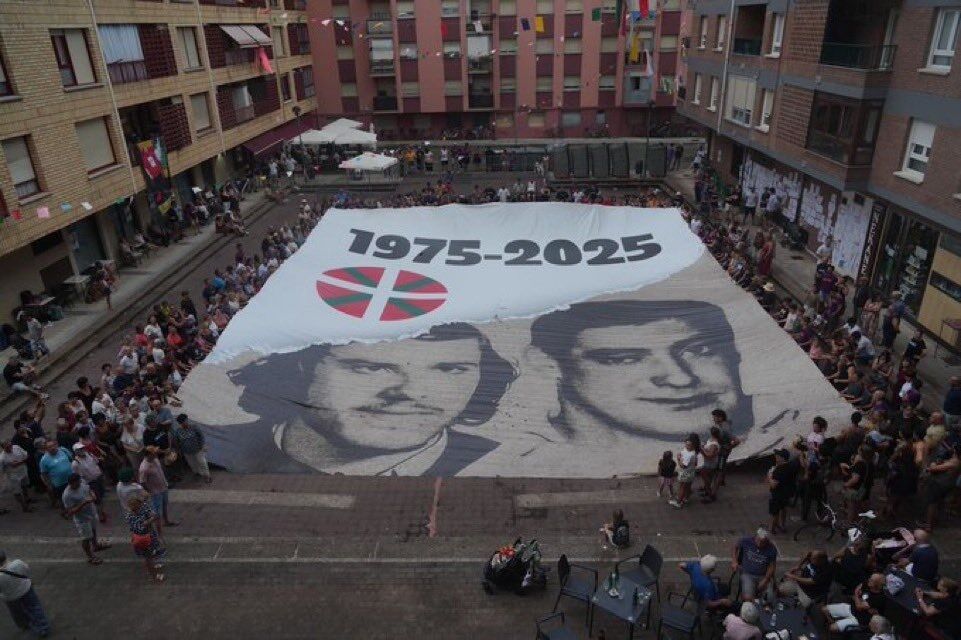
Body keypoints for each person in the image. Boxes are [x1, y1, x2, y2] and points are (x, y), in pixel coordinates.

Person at [225, 322, 516, 475]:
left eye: (449, 369)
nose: (412, 392)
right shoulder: (226, 445)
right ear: (302, 366)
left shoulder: (501, 460)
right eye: (371, 367)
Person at [61, 473, 110, 565]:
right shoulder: (67, 495)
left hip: (91, 512)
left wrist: (92, 495)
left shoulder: (82, 483)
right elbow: (70, 511)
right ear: (71, 483)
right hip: (82, 519)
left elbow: (89, 489)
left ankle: (96, 545)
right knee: (86, 538)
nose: (79, 484)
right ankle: (90, 556)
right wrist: (84, 503)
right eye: (77, 483)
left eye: (79, 481)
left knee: (94, 530)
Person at [0, 550, 50, 637]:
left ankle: (25, 625)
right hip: (26, 589)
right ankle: (43, 627)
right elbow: (26, 570)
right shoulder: (17, 563)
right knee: (34, 607)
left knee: (17, 612)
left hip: (11, 597)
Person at [822, 573, 887, 632]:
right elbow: (857, 589)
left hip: (859, 619)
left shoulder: (879, 598)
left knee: (832, 628)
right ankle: (833, 622)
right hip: (851, 608)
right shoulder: (867, 584)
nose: (869, 580)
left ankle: (839, 630)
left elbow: (858, 606)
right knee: (824, 609)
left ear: (878, 584)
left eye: (872, 580)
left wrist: (856, 596)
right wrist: (858, 599)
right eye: (870, 578)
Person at [125, 495, 166, 582]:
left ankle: (153, 570)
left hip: (146, 536)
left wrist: (149, 520)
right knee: (148, 558)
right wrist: (148, 521)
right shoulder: (132, 516)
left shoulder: (136, 511)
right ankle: (153, 576)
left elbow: (154, 515)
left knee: (151, 555)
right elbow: (141, 527)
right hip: (143, 538)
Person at [731, 528, 777, 603]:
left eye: (762, 542)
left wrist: (766, 579)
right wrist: (734, 561)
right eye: (758, 540)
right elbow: (735, 546)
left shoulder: (771, 548)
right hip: (747, 574)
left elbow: (772, 566)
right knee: (747, 597)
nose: (759, 544)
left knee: (769, 597)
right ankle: (752, 606)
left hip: (762, 575)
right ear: (755, 537)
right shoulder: (746, 541)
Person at [139, 446, 177, 529]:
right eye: (154, 453)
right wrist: (149, 491)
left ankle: (166, 521)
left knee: (164, 505)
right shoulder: (144, 468)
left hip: (163, 487)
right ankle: (154, 526)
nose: (156, 454)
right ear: (148, 455)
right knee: (156, 511)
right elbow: (142, 482)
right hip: (155, 492)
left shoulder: (155, 460)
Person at [173, 414, 211, 483]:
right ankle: (197, 473)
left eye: (185, 421)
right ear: (180, 423)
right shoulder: (178, 431)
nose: (184, 423)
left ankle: (207, 476)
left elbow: (201, 436)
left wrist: (202, 445)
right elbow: (176, 441)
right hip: (187, 452)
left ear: (187, 420)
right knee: (192, 464)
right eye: (182, 422)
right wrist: (178, 451)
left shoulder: (194, 427)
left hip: (198, 450)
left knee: (202, 462)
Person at [38, 440, 72, 514]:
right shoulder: (44, 460)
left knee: (73, 494)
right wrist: (48, 484)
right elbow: (43, 474)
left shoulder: (63, 450)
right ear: (46, 449)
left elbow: (71, 459)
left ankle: (75, 509)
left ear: (56, 445)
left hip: (71, 479)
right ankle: (65, 512)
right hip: (59, 483)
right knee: (62, 498)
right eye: (49, 447)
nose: (52, 448)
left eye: (53, 445)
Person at [767, 448, 795, 534]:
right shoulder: (790, 466)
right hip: (786, 493)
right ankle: (782, 525)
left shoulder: (778, 470)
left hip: (777, 494)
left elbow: (773, 484)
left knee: (774, 512)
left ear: (782, 458)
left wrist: (770, 475)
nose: (776, 457)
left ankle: (772, 529)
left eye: (778, 456)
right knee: (783, 508)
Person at [0, 440, 32, 513]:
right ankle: (24, 506)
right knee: (17, 491)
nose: (10, 447)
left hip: (23, 471)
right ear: (3, 448)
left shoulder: (16, 447)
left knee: (25, 485)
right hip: (13, 476)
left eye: (10, 445)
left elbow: (26, 455)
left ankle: (27, 498)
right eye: (7, 447)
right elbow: (2, 470)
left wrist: (19, 462)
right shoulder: (2, 458)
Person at [671, 436, 699, 509]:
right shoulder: (693, 452)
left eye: (689, 445)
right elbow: (696, 463)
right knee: (687, 486)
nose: (686, 446)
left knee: (682, 487)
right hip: (691, 472)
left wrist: (678, 458)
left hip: (685, 473)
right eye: (686, 444)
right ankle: (686, 498)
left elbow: (683, 466)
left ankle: (678, 502)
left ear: (693, 445)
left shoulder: (689, 455)